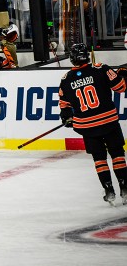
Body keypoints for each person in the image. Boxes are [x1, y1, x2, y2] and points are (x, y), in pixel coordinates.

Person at [59, 43, 127, 205]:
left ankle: (108, 189)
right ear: (87, 56)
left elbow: (64, 104)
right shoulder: (101, 68)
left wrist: (67, 117)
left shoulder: (66, 79)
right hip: (108, 121)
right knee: (117, 154)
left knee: (99, 158)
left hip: (87, 126)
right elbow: (121, 87)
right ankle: (124, 187)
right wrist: (123, 74)